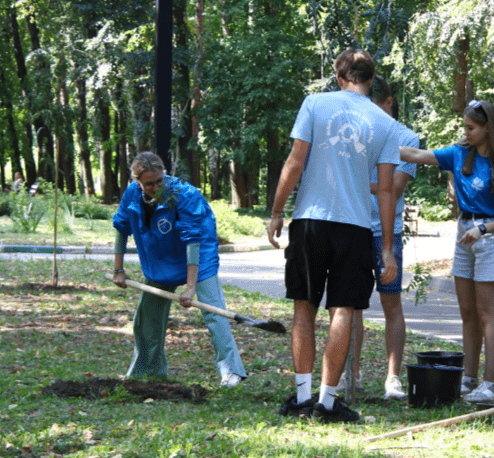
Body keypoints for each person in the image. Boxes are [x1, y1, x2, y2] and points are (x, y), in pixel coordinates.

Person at [267, 49, 401, 423]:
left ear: (339, 78)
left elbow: (295, 161)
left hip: (310, 220)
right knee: (343, 310)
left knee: (304, 307)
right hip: (356, 226)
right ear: (371, 80)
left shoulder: (315, 103)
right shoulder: (385, 123)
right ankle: (326, 403)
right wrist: (387, 249)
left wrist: (277, 212)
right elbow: (387, 190)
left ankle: (301, 397)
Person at [400, 98, 494, 403]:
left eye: (471, 127)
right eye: (464, 127)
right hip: (463, 233)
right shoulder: (459, 155)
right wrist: (379, 146)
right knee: (468, 313)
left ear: (487, 128)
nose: (465, 132)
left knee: (487, 313)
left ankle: (490, 384)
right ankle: (469, 378)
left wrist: (482, 229)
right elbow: (416, 154)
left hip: (490, 238)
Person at [112, 152, 247, 387]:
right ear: (137, 182)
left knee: (214, 313)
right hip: (161, 255)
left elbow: (193, 242)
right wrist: (118, 270)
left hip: (198, 254)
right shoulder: (132, 195)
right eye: (148, 184)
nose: (155, 187)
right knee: (147, 316)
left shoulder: (184, 194)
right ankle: (148, 371)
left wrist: (191, 287)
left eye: (159, 181)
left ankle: (231, 371)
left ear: (165, 175)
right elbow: (121, 228)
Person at [340, 75, 420, 401]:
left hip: (388, 232)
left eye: (373, 107)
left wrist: (355, 179)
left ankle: (393, 379)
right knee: (353, 306)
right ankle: (352, 374)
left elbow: (396, 187)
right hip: (355, 228)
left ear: (388, 103)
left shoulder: (407, 137)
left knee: (391, 304)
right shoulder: (355, 133)